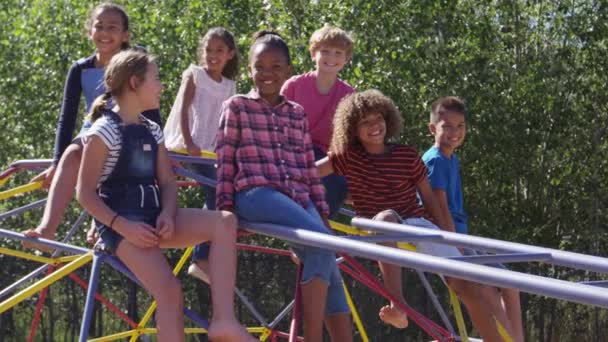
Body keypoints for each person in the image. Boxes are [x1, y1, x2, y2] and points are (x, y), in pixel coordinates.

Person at [75, 48, 254, 342]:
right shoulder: (102, 132)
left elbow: (168, 183)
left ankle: (224, 320)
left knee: (224, 222)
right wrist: (123, 226)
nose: (161, 86)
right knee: (169, 291)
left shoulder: (151, 130)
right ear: (134, 83)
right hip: (124, 227)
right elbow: (85, 193)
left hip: (154, 217)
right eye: (155, 79)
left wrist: (169, 215)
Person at [316, 89, 520, 342]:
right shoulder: (348, 157)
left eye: (378, 118)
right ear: (351, 129)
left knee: (469, 286)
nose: (374, 126)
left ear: (388, 119)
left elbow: (431, 200)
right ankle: (397, 304)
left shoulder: (406, 155)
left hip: (415, 222)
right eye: (364, 122)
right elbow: (309, 173)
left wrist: (449, 239)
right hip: (377, 223)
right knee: (386, 220)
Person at [215, 31, 352, 342]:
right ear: (249, 69)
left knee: (326, 255)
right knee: (321, 245)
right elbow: (224, 159)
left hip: (298, 195)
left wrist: (321, 212)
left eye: (276, 67)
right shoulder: (237, 107)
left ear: (288, 71)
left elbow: (307, 168)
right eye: (259, 66)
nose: (267, 74)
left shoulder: (296, 114)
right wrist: (224, 209)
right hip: (256, 192)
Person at [23, 2, 161, 247]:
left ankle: (99, 224)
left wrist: (161, 151)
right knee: (72, 154)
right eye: (99, 26)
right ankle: (47, 228)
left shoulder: (133, 62)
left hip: (129, 128)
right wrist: (56, 162)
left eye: (112, 27)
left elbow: (150, 107)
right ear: (90, 31)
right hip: (95, 127)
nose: (105, 33)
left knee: (118, 165)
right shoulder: (80, 69)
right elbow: (67, 117)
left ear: (125, 35)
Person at [423, 96, 524, 342]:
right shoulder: (435, 160)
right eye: (447, 126)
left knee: (511, 285)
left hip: (463, 236)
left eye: (461, 126)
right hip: (451, 238)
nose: (455, 132)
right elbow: (440, 207)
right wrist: (454, 245)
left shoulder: (451, 158)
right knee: (487, 292)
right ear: (432, 128)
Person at [162, 27, 238, 283]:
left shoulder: (229, 85)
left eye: (219, 51)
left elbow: (223, 120)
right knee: (215, 191)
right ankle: (200, 257)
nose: (212, 55)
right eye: (208, 50)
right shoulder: (195, 74)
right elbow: (183, 108)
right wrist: (189, 141)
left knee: (219, 193)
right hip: (189, 146)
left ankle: (203, 254)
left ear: (230, 54)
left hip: (211, 149)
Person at [280, 25, 354, 217]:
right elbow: (275, 122)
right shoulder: (295, 85)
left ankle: (319, 226)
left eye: (338, 53)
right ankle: (312, 227)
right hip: (293, 148)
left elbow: (347, 137)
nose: (331, 57)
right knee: (326, 179)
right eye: (325, 51)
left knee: (344, 181)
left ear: (346, 59)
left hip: (326, 154)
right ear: (313, 54)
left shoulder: (348, 94)